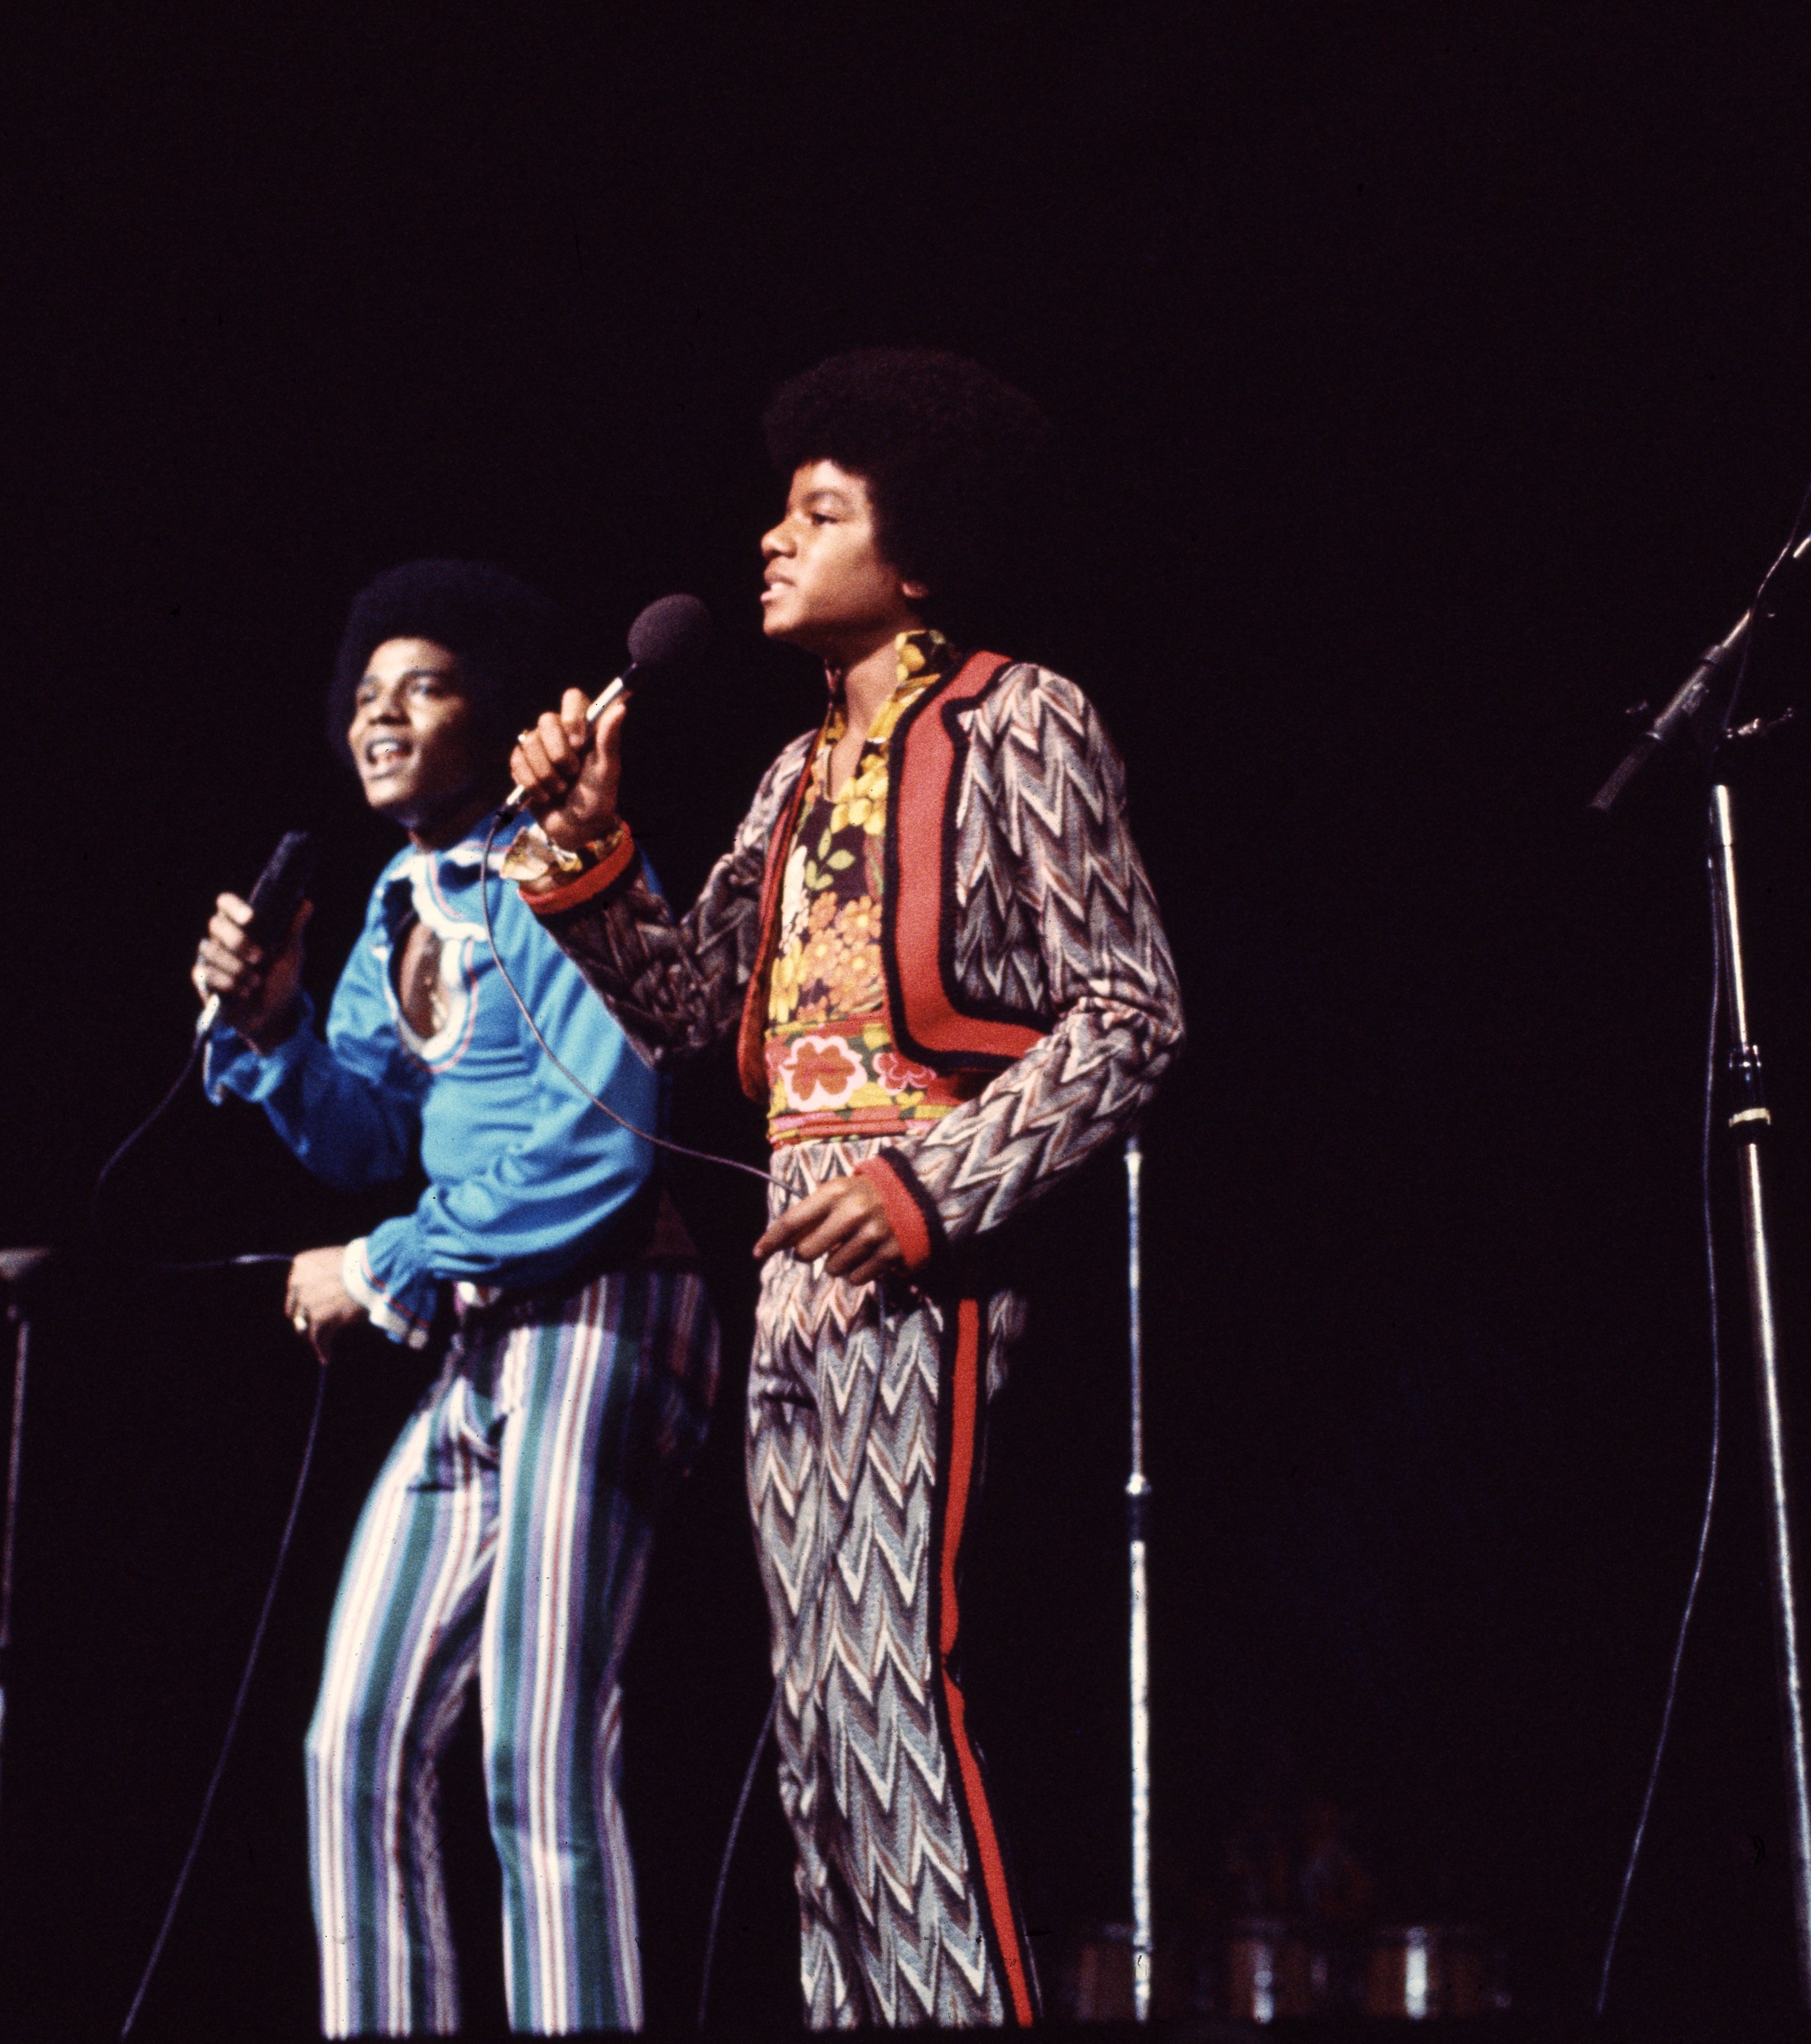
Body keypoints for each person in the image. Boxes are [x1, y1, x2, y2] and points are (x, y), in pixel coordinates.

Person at [508, 348, 1185, 2026]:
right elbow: (684, 1010)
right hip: (796, 1262)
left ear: (922, 554)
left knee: (893, 1706)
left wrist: (930, 1191)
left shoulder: (1021, 718)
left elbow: (1132, 1012)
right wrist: (593, 854)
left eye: (821, 511)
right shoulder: (787, 778)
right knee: (817, 1732)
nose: (771, 538)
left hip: (921, 1253)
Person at [191, 559, 718, 2036]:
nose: (379, 716)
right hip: (487, 1332)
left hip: (610, 1306)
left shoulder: (558, 865)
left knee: (535, 1746)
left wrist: (382, 1265)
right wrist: (278, 1021)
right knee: (349, 1737)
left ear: (497, 715)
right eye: (363, 695)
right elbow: (367, 1133)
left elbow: (596, 1154)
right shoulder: (397, 900)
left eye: (418, 687)